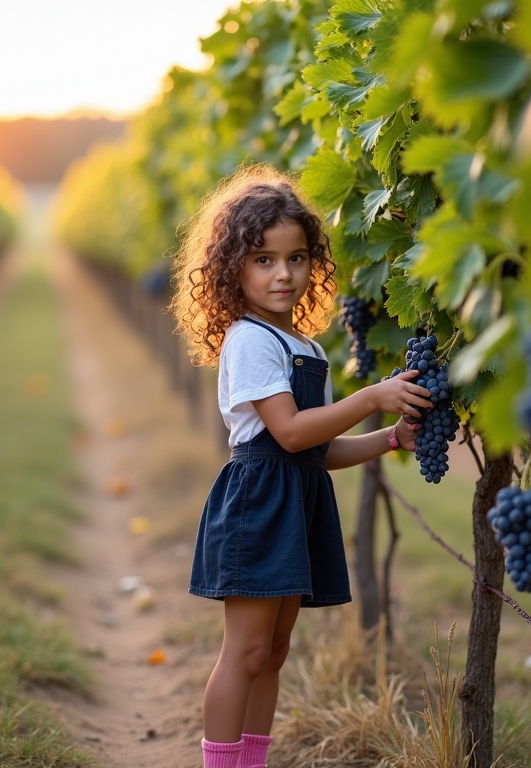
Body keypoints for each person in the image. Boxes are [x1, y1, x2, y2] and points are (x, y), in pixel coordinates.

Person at [169, 165, 431, 768]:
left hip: (296, 496)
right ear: (234, 266)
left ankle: (250, 761)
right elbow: (287, 434)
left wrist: (388, 437)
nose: (283, 273)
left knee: (276, 649)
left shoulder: (306, 347)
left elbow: (318, 451)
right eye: (263, 259)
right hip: (260, 505)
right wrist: (370, 398)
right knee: (246, 651)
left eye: (296, 258)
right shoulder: (251, 339)